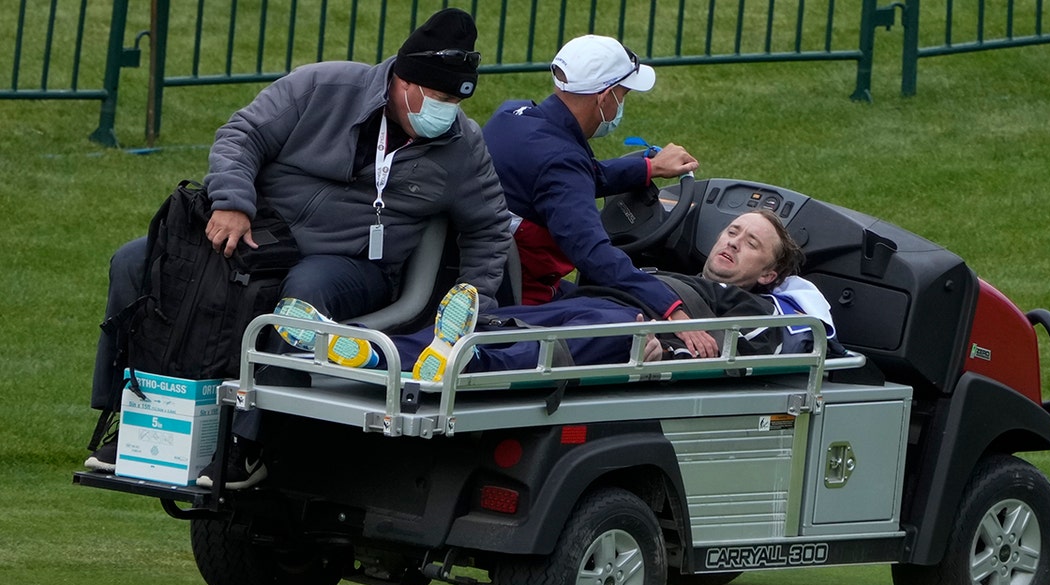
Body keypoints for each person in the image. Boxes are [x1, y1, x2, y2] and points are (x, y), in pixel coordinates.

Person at [85, 8, 512, 480]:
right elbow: (240, 135)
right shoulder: (322, 86)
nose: (446, 111)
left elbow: (490, 227)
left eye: (456, 100)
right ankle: (132, 420)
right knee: (135, 262)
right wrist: (232, 202)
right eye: (439, 96)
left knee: (303, 291)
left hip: (351, 265)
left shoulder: (463, 145)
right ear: (403, 81)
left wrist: (474, 301)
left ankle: (245, 446)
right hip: (260, 237)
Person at [277, 210, 837, 381]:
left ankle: (416, 360)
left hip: (629, 332)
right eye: (732, 232)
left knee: (529, 348)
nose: (734, 243)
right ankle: (368, 350)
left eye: (753, 244)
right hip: (600, 301)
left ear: (769, 274)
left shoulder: (754, 306)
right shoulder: (674, 272)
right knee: (485, 324)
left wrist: (676, 351)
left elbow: (765, 347)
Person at [481, 34, 718, 358]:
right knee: (624, 320)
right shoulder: (561, 163)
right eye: (623, 94)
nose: (622, 103)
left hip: (489, 282)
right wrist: (672, 308)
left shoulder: (511, 116)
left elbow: (566, 179)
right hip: (520, 304)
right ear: (605, 98)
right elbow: (593, 252)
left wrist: (648, 168)